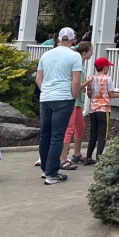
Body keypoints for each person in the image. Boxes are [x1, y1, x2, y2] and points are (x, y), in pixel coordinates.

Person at [35, 27, 83, 185]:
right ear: (73, 39)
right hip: (63, 98)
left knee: (45, 135)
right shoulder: (74, 56)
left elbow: (38, 79)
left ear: (58, 39)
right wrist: (73, 96)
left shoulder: (46, 55)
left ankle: (45, 169)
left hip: (46, 98)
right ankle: (52, 173)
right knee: (57, 136)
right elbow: (76, 81)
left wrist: (46, 91)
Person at [82, 57, 119, 164]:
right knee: (102, 134)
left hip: (93, 109)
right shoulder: (108, 78)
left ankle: (88, 157)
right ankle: (100, 158)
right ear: (104, 67)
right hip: (104, 108)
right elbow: (111, 94)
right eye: (108, 66)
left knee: (93, 133)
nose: (108, 68)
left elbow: (89, 95)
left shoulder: (91, 78)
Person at [59, 41, 94, 171]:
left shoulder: (82, 64)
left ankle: (77, 154)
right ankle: (63, 159)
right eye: (91, 51)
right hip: (71, 99)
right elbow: (76, 85)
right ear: (84, 53)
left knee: (80, 127)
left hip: (78, 101)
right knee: (69, 128)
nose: (92, 54)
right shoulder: (76, 63)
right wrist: (88, 82)